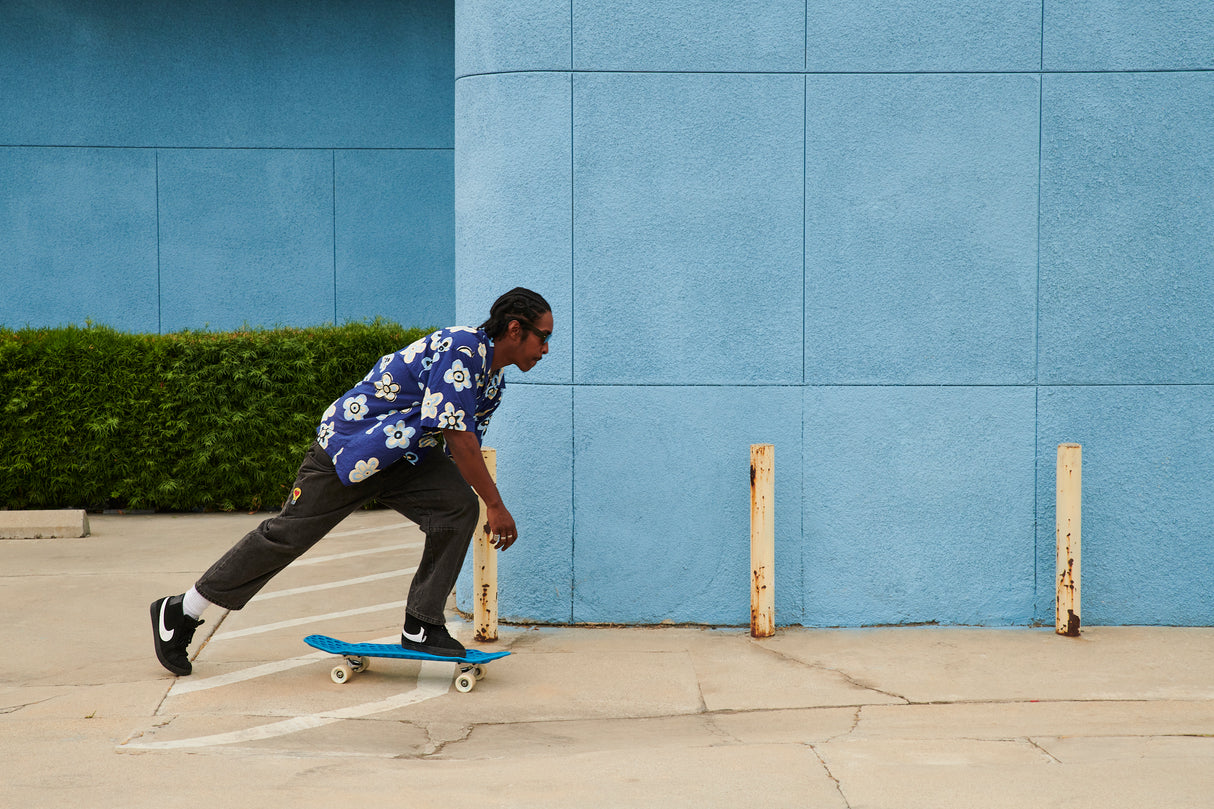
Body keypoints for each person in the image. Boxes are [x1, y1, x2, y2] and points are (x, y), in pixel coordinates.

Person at [151, 288, 552, 676]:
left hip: (405, 458)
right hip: (351, 451)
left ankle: (422, 624)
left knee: (456, 507)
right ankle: (181, 609)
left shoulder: (493, 380)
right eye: (543, 337)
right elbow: (459, 438)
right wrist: (496, 505)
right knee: (286, 536)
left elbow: (457, 446)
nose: (546, 349)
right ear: (515, 330)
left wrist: (469, 495)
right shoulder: (462, 349)